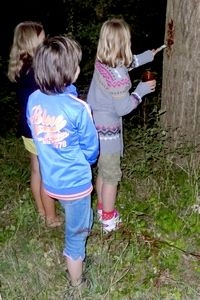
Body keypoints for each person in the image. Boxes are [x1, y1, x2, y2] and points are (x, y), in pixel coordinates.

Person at [26, 35, 99, 289]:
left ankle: (79, 238)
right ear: (68, 73)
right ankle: (77, 284)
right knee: (75, 236)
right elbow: (91, 150)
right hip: (76, 183)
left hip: (51, 181)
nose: (79, 68)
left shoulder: (33, 99)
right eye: (76, 65)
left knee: (80, 219)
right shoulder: (79, 108)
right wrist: (85, 161)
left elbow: (37, 133)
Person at [87, 18, 163, 233]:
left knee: (103, 171)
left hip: (94, 127)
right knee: (111, 176)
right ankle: (109, 220)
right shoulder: (119, 77)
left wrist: (149, 55)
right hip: (108, 132)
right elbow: (123, 108)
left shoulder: (103, 62)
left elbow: (126, 63)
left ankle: (102, 209)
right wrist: (140, 91)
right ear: (124, 42)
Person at [7, 21, 62, 227]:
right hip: (40, 129)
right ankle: (50, 217)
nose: (46, 38)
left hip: (27, 128)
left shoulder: (21, 65)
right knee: (46, 171)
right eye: (42, 36)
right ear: (32, 40)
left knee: (37, 170)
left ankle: (41, 211)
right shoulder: (37, 70)